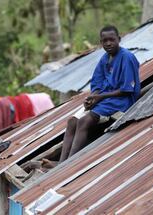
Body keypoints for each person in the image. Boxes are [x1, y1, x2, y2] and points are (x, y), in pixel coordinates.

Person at [59, 25, 140, 162]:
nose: (108, 43)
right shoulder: (104, 59)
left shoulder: (127, 57)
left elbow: (126, 89)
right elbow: (97, 84)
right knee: (72, 121)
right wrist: (92, 98)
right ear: (101, 42)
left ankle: (68, 163)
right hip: (104, 98)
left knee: (84, 121)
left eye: (112, 40)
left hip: (121, 100)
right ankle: (61, 161)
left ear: (118, 39)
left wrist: (99, 97)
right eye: (105, 41)